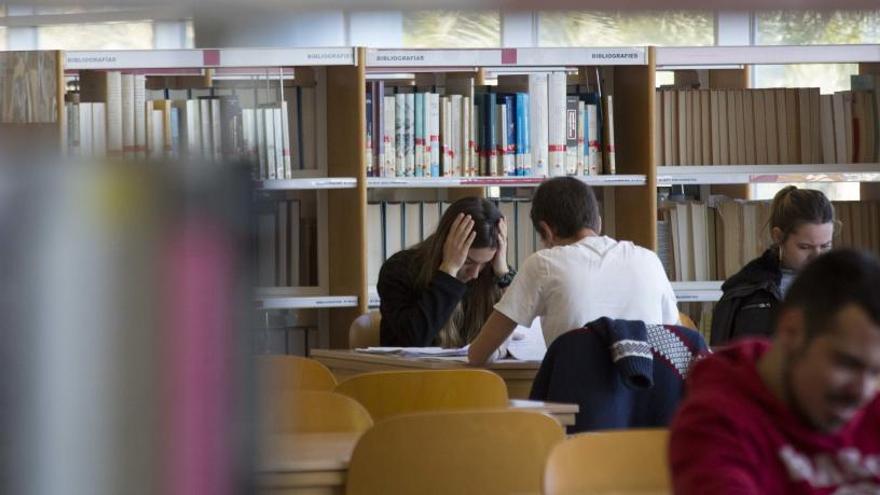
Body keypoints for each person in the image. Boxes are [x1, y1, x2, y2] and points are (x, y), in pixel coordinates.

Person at [669, 249, 880, 494]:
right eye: (847, 364)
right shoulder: (714, 426)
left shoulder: (871, 413)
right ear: (792, 331)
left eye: (875, 372)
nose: (862, 393)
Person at [468, 177, 679, 365]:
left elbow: (478, 354)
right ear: (599, 222)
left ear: (547, 231)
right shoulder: (649, 260)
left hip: (577, 404)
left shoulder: (543, 264)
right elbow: (676, 341)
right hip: (648, 403)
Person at [378, 197, 514, 347]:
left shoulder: (493, 272)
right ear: (445, 244)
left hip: (476, 370)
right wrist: (449, 270)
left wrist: (503, 273)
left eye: (484, 263)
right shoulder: (398, 270)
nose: (474, 274)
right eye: (467, 261)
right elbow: (414, 339)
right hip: (415, 370)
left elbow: (525, 333)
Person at [712, 186, 834, 346]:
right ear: (778, 237)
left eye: (825, 246)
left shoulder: (848, 289)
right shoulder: (743, 294)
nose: (817, 257)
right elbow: (720, 361)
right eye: (805, 247)